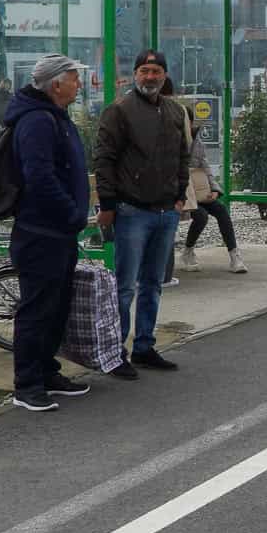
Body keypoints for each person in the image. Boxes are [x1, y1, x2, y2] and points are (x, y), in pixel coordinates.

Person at [5, 55, 92, 413]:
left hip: (59, 231)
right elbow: (39, 177)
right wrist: (71, 213)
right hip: (41, 231)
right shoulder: (37, 121)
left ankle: (47, 371)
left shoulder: (55, 117)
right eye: (74, 78)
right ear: (56, 84)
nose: (79, 84)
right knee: (37, 309)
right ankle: (26, 384)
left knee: (56, 308)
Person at [94, 50, 190, 377]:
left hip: (166, 211)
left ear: (165, 75)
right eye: (144, 70)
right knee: (124, 287)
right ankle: (114, 352)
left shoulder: (175, 111)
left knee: (153, 283)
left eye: (156, 71)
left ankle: (144, 346)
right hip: (131, 211)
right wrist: (107, 204)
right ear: (135, 74)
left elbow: (182, 157)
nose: (150, 77)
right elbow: (104, 159)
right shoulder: (119, 111)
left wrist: (179, 197)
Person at [178, 98, 246, 274]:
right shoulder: (169, 141)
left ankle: (234, 254)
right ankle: (188, 251)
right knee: (201, 216)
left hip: (199, 191)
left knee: (221, 210)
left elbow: (206, 166)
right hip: (180, 194)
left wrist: (215, 189)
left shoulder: (197, 142)